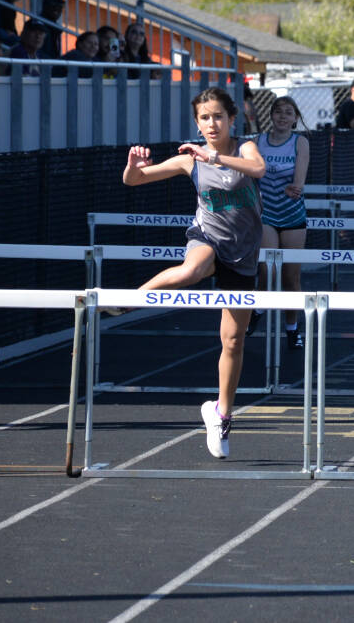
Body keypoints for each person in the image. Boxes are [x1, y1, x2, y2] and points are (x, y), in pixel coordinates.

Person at [120, 87, 266, 459]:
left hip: (243, 253)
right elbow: (134, 181)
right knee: (194, 267)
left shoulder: (243, 148)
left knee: (233, 341)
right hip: (207, 237)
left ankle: (220, 413)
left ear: (232, 119)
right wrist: (132, 166)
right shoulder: (190, 159)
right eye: (205, 118)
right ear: (197, 123)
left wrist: (216, 157)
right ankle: (129, 300)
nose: (212, 123)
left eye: (218, 116)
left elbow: (259, 169)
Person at [256, 96, 310, 348]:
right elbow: (249, 174)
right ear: (271, 116)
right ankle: (257, 310)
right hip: (266, 212)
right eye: (278, 112)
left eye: (288, 113)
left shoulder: (300, 142)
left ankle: (292, 329)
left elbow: (300, 175)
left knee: (291, 278)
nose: (282, 117)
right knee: (267, 270)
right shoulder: (258, 142)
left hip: (292, 214)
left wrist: (296, 187)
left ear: (295, 118)